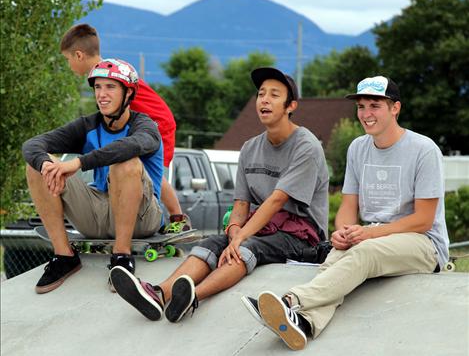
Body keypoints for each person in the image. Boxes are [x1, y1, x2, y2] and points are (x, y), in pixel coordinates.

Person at [109, 67, 330, 323]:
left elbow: (277, 200)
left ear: (290, 106)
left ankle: (192, 297)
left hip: (302, 237)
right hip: (260, 227)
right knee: (212, 244)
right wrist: (235, 229)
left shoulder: (306, 145)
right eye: (260, 94)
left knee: (247, 248)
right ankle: (159, 293)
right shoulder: (250, 147)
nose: (264, 100)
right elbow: (241, 203)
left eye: (274, 95)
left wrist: (241, 238)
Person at [245, 76, 450, 350]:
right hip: (376, 236)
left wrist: (369, 233)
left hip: (424, 244)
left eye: (375, 105)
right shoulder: (357, 148)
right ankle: (304, 324)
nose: (366, 114)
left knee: (365, 253)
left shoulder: (424, 150)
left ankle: (290, 301)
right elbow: (348, 207)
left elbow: (424, 219)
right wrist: (342, 231)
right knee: (335, 257)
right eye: (361, 106)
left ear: (395, 108)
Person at [23, 58, 164, 294]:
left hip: (142, 218)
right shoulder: (88, 125)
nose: (102, 94)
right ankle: (64, 256)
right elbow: (32, 144)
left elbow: (130, 146)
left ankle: (121, 257)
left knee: (125, 162)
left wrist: (78, 163)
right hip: (98, 215)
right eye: (98, 87)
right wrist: (48, 165)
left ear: (128, 93)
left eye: (110, 87)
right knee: (38, 165)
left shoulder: (145, 126)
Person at [60, 23, 190, 233]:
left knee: (149, 171)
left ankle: (176, 218)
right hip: (152, 119)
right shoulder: (104, 72)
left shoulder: (108, 74)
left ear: (78, 55)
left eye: (67, 60)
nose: (68, 65)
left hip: (157, 121)